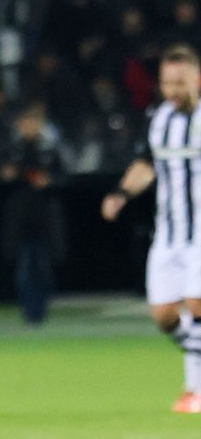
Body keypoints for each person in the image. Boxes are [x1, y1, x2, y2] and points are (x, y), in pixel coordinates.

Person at [101, 43, 201, 413]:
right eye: (166, 83)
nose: (171, 90)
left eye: (179, 82)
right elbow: (146, 164)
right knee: (164, 315)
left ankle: (194, 390)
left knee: (197, 302)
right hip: (169, 234)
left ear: (197, 79)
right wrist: (121, 193)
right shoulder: (159, 119)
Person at [0, 103, 66, 325]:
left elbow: (63, 176)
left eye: (33, 122)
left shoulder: (49, 149)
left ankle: (41, 309)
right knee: (25, 269)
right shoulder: (12, 149)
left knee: (43, 268)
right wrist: (8, 175)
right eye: (26, 122)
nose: (29, 126)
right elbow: (0, 176)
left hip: (44, 216)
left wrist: (49, 181)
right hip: (21, 217)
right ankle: (29, 311)